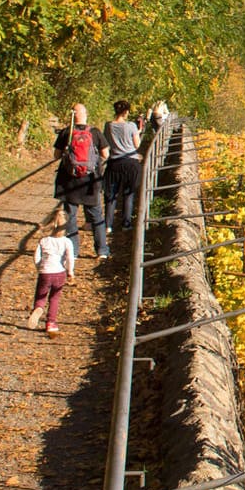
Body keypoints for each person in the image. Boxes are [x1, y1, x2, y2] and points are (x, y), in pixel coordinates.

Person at [53, 103, 110, 258]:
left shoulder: (67, 133)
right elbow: (106, 154)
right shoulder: (95, 132)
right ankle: (102, 250)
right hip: (90, 182)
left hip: (69, 182)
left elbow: (56, 156)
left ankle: (73, 252)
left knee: (70, 217)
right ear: (85, 114)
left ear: (72, 115)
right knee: (96, 216)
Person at [28, 210, 77, 335]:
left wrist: (39, 267)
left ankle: (38, 308)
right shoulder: (67, 242)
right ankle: (51, 322)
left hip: (45, 272)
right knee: (55, 298)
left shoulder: (44, 240)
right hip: (59, 272)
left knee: (41, 294)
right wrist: (70, 272)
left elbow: (36, 256)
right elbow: (70, 258)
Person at [102, 99, 142, 235]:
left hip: (114, 163)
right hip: (130, 163)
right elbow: (137, 145)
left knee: (111, 194)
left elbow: (106, 142)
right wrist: (139, 131)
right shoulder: (131, 126)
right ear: (126, 112)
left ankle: (108, 224)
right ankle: (126, 223)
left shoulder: (108, 126)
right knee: (128, 194)